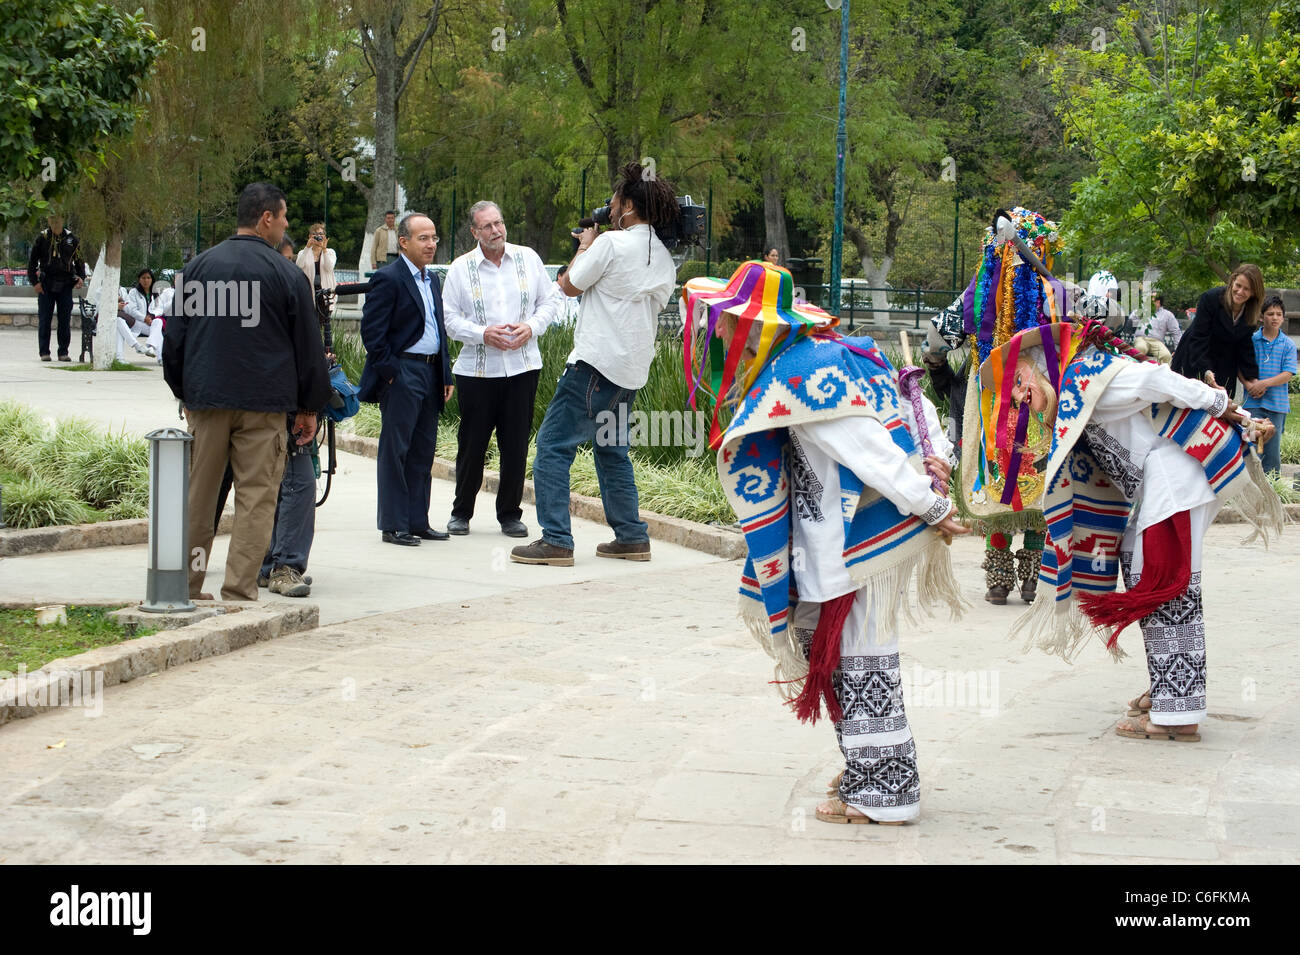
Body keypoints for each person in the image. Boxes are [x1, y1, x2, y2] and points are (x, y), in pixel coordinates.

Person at [684, 261, 969, 824]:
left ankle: (887, 792)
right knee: (834, 651)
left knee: (860, 656)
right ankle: (869, 766)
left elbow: (870, 449)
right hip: (830, 543)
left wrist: (931, 503)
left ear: (757, 327)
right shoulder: (812, 358)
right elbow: (907, 413)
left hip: (850, 546)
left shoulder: (800, 373)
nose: (717, 331)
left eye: (728, 320)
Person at [1002, 321, 1282, 743]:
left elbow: (1155, 379)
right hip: (1167, 482)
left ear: (1041, 366)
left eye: (1020, 381)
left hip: (1176, 479)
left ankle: (1179, 714)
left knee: (1165, 584)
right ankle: (1170, 689)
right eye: (1014, 393)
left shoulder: (1085, 376)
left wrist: (1222, 402)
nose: (1021, 396)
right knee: (1145, 572)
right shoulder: (1074, 400)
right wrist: (1244, 418)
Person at [163, 182, 332, 601]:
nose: (288, 224)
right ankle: (238, 594)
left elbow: (174, 342)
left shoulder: (197, 270)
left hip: (207, 402)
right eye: (285, 215)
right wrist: (310, 407)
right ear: (266, 218)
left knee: (199, 502)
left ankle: (184, 588)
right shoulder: (288, 276)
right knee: (256, 501)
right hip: (264, 407)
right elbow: (308, 349)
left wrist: (186, 394)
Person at [510, 160, 678, 566]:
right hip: (631, 371)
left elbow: (568, 285)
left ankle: (556, 540)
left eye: (616, 201)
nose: (612, 206)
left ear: (630, 208)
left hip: (593, 365)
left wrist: (586, 244)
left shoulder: (611, 244)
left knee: (552, 446)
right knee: (611, 450)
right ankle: (631, 536)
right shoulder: (664, 257)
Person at [441, 201, 560, 538]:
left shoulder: (528, 258)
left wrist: (531, 328)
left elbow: (549, 301)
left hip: (523, 368)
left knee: (516, 443)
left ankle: (510, 514)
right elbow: (449, 320)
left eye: (499, 223)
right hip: (477, 372)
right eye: (487, 226)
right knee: (472, 443)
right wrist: (482, 334)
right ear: (474, 232)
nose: (496, 231)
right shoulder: (460, 269)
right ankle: (461, 512)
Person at [357, 212, 453, 546]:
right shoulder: (389, 278)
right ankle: (394, 524)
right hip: (403, 371)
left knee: (423, 449)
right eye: (423, 238)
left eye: (434, 238)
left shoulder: (433, 280)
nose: (431, 245)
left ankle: (417, 520)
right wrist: (392, 374)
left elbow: (438, 328)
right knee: (396, 449)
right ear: (403, 242)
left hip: (430, 371)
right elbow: (372, 333)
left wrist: (445, 371)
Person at [1171, 263, 1265, 400]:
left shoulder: (1251, 312)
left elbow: (1245, 347)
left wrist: (1252, 378)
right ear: (1232, 281)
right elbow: (1199, 338)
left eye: (1246, 289)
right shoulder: (1210, 299)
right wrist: (1206, 372)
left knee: (1221, 406)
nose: (1240, 292)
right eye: (1238, 285)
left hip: (1224, 363)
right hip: (1195, 357)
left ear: (1253, 292)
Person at [1241, 295, 1296, 475]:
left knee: (1272, 454)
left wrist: (1263, 383)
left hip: (1277, 405)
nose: (1275, 318)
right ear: (1261, 317)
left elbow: (1287, 374)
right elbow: (1240, 366)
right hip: (1252, 403)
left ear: (1283, 318)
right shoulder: (1251, 340)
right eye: (1270, 313)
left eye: (1279, 314)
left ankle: (1272, 491)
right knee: (1250, 448)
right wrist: (1249, 385)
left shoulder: (1287, 344)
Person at [26, 212, 86, 362]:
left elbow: (80, 262)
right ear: (48, 221)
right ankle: (44, 352)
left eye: (58, 220)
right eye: (52, 220)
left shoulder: (72, 239)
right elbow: (32, 263)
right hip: (46, 284)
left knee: (64, 320)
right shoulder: (42, 238)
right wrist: (35, 282)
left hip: (65, 284)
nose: (55, 223)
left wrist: (81, 278)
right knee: (45, 319)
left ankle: (63, 352)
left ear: (63, 220)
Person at [116, 268, 165, 359]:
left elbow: (160, 308)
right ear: (139, 279)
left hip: (149, 323)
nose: (146, 280)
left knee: (158, 322)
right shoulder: (133, 292)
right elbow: (132, 310)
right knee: (119, 321)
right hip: (137, 323)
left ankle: (150, 347)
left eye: (148, 278)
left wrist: (151, 316)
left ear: (152, 279)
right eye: (143, 278)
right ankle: (159, 357)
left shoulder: (155, 293)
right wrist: (144, 318)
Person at [297, 223, 337, 306]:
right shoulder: (303, 252)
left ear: (324, 237)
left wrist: (324, 249)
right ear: (309, 236)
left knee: (324, 317)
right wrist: (307, 247)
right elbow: (299, 266)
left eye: (320, 234)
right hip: (308, 292)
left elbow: (329, 268)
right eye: (314, 234)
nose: (318, 236)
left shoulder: (330, 252)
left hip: (326, 292)